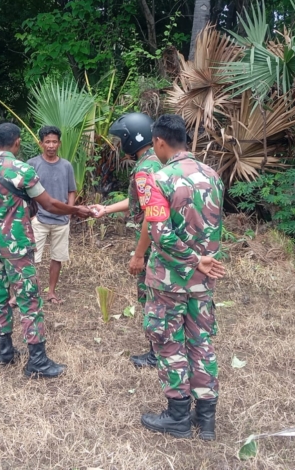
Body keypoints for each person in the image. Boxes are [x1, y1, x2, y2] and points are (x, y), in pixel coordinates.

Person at [0, 122, 91, 379]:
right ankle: (37, 360)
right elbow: (49, 204)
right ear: (17, 143)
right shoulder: (23, 170)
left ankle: (4, 352)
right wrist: (76, 210)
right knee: (28, 299)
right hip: (17, 244)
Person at [136, 114, 225, 440]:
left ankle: (177, 417)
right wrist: (201, 262)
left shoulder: (158, 179)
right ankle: (207, 420)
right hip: (203, 282)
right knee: (201, 343)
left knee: (170, 344)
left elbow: (160, 235)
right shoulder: (213, 176)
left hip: (169, 282)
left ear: (159, 142)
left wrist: (191, 261)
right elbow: (213, 229)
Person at [89, 112, 163, 368]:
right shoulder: (159, 161)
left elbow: (150, 216)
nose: (120, 145)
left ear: (132, 139)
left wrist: (139, 254)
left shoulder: (144, 171)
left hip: (153, 244)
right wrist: (106, 209)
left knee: (151, 296)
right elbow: (140, 204)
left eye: (122, 140)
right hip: (166, 240)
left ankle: (157, 352)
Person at [28, 126, 76, 305]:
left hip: (61, 221)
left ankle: (51, 292)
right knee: (31, 258)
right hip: (39, 219)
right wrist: (32, 216)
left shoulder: (66, 166)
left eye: (54, 142)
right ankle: (24, 293)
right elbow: (24, 190)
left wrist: (69, 211)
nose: (51, 145)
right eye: (47, 142)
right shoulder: (32, 164)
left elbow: (71, 190)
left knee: (57, 257)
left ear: (59, 143)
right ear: (41, 143)